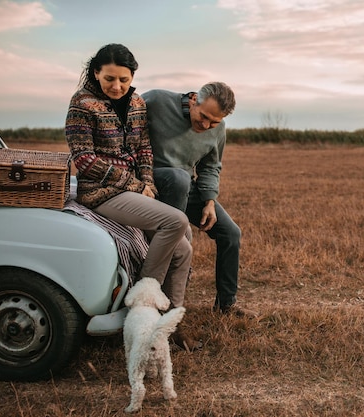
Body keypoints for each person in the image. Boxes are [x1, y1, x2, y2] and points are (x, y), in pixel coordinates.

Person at [65, 43, 199, 350]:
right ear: (96, 73)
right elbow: (83, 159)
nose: (117, 86)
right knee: (175, 220)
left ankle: (172, 325)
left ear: (132, 76)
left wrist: (148, 181)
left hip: (135, 189)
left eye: (123, 79)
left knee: (183, 251)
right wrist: (133, 184)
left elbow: (143, 150)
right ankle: (143, 304)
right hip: (101, 192)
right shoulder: (82, 103)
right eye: (109, 78)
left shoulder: (137, 102)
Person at [142, 82, 255, 317]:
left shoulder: (218, 128)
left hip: (184, 185)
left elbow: (211, 166)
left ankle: (226, 304)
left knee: (231, 233)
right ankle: (162, 295)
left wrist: (209, 201)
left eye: (214, 122)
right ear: (194, 99)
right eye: (203, 116)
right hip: (149, 180)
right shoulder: (155, 100)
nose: (206, 125)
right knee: (179, 178)